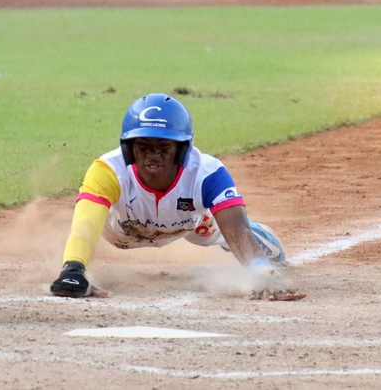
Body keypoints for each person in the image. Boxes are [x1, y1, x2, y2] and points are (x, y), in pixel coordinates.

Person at [49, 93, 306, 301]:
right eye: (143, 146)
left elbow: (236, 227)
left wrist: (259, 270)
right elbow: (85, 226)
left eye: (164, 147)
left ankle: (262, 252)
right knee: (85, 229)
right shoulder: (108, 170)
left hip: (189, 223)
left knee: (271, 256)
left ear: (183, 149)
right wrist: (74, 268)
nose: (153, 155)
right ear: (129, 149)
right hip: (120, 229)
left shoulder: (207, 172)